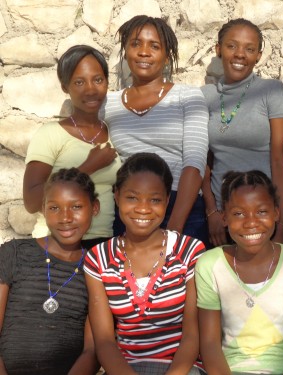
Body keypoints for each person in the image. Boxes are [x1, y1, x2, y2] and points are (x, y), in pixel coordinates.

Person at [84, 152, 206, 374]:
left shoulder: (189, 251)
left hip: (181, 368)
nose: (143, 208)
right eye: (132, 197)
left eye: (155, 199)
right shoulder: (98, 258)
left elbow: (192, 335)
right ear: (117, 195)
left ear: (167, 201)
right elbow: (104, 342)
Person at [102, 15, 209, 244]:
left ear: (167, 56)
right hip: (130, 212)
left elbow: (194, 164)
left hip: (181, 207)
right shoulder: (108, 104)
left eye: (154, 46)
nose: (144, 52)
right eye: (136, 44)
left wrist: (174, 229)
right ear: (126, 51)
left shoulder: (187, 97)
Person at [196, 170, 283, 374]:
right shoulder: (209, 265)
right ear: (224, 218)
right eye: (238, 213)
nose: (251, 222)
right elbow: (210, 344)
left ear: (276, 213)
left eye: (262, 211)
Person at [201, 18, 283, 247]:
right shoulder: (205, 96)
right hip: (223, 217)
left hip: (262, 215)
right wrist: (212, 212)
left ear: (258, 56)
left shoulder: (272, 92)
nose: (240, 54)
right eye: (232, 46)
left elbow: (280, 160)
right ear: (218, 49)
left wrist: (281, 226)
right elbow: (201, 161)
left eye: (249, 49)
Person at [0, 168, 100, 374]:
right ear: (43, 209)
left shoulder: (97, 267)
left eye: (77, 207)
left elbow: (92, 349)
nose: (65, 217)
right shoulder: (14, 253)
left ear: (95, 208)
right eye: (54, 208)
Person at [23, 45, 121, 249]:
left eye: (98, 80)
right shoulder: (50, 133)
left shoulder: (113, 132)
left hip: (103, 246)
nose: (91, 89)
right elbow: (32, 202)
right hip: (56, 244)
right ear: (65, 87)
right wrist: (88, 167)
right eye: (79, 82)